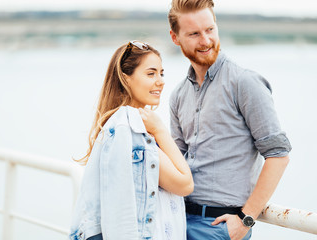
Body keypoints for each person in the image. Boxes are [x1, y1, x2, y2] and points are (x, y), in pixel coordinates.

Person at [167, 1, 292, 239]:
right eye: (194, 34)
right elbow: (175, 162)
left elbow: (278, 156)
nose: (205, 40)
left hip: (218, 227)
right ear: (175, 37)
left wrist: (245, 220)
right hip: (177, 219)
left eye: (210, 29)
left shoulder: (244, 83)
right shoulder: (178, 94)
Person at [69, 41, 193, 240]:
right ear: (126, 79)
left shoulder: (119, 124)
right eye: (150, 74)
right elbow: (185, 184)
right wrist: (160, 129)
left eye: (161, 73)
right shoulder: (129, 129)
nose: (160, 81)